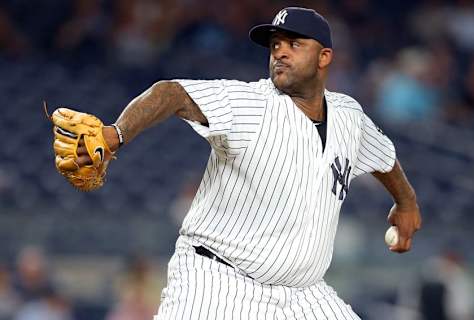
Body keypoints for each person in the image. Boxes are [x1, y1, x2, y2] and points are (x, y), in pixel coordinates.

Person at [73, 7, 422, 319]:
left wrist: (405, 202)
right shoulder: (250, 103)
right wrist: (115, 133)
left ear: (324, 56)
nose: (280, 52)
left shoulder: (349, 115)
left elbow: (382, 155)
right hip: (218, 284)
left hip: (304, 295)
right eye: (275, 46)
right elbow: (171, 93)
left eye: (294, 44)